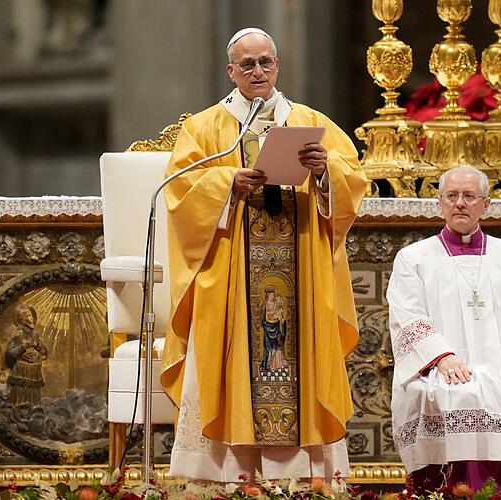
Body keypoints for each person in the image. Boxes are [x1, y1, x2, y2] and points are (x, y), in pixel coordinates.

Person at [160, 27, 367, 481]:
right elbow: (178, 194)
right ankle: (223, 476)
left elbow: (353, 179)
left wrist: (325, 172)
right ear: (231, 71)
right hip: (231, 273)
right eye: (247, 64)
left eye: (265, 62)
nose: (258, 71)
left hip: (301, 265)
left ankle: (303, 476)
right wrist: (226, 183)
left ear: (277, 66)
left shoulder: (310, 120)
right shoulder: (204, 128)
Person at [387, 166, 501, 494]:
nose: (459, 203)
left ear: (486, 204)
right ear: (440, 203)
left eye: (469, 196)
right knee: (458, 394)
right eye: (452, 196)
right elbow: (407, 314)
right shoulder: (413, 258)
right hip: (443, 368)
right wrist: (440, 357)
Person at [5, 304, 48, 405]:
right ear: (21, 319)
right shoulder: (18, 334)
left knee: (33, 396)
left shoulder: (34, 334)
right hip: (21, 371)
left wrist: (38, 353)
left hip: (33, 372)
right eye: (28, 315)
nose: (31, 318)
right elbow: (10, 354)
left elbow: (43, 351)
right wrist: (22, 347)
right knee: (21, 395)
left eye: (32, 315)